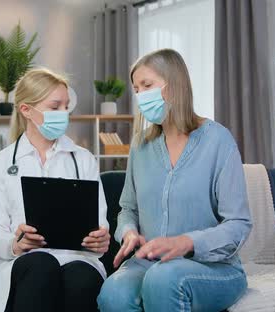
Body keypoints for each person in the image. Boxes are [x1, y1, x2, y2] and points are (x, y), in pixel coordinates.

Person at [97, 49, 252, 312]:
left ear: (174, 85)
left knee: (163, 278)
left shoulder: (217, 141)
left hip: (211, 266)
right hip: (147, 262)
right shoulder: (140, 145)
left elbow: (238, 224)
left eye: (147, 85)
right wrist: (128, 232)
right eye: (136, 88)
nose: (140, 95)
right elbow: (128, 209)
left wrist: (187, 242)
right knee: (113, 293)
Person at [0, 68, 110, 312]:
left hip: (77, 259)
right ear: (26, 110)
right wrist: (16, 243)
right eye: (55, 107)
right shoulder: (1, 163)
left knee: (81, 276)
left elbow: (99, 224)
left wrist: (100, 240)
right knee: (42, 264)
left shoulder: (83, 159)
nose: (63, 114)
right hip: (25, 262)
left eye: (66, 107)